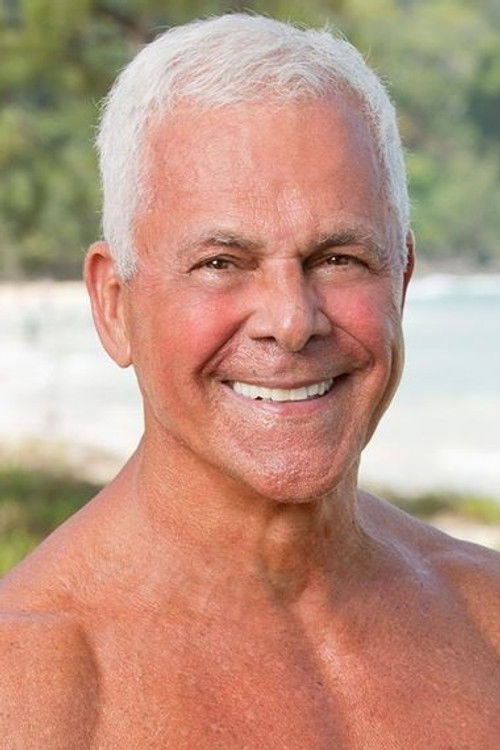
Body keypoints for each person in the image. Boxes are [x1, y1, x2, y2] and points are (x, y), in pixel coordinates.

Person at [1, 13, 499, 748]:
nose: (291, 322)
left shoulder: (487, 622)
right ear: (114, 305)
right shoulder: (30, 693)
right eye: (220, 263)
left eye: (339, 258)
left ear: (401, 279)